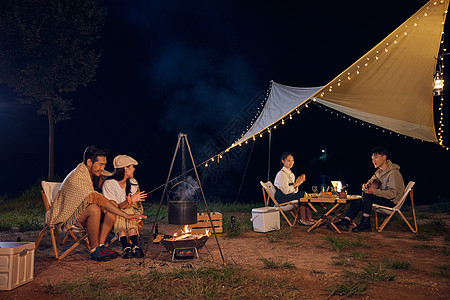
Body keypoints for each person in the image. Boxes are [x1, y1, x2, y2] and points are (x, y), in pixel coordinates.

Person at [49, 145, 147, 261]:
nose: (103, 168)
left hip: (85, 213)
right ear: (89, 162)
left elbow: (111, 179)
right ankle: (94, 249)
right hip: (71, 215)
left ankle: (100, 246)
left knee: (112, 207)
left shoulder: (96, 174)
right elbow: (97, 198)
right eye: (101, 164)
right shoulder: (78, 177)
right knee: (94, 208)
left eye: (105, 164)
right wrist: (126, 215)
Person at [334, 146, 405, 232]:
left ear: (384, 157)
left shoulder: (393, 173)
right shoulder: (379, 172)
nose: (373, 161)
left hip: (392, 202)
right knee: (359, 199)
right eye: (372, 159)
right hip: (384, 199)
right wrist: (366, 185)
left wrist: (374, 191)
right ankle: (346, 221)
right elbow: (370, 183)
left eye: (376, 157)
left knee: (368, 194)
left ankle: (366, 223)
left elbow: (392, 194)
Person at [102, 155, 147, 259]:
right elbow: (112, 207)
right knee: (120, 212)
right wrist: (129, 202)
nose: (134, 169)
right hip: (112, 215)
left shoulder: (133, 182)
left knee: (130, 210)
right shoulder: (109, 184)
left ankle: (132, 246)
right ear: (126, 169)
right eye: (132, 166)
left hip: (129, 213)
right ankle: (127, 245)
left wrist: (131, 202)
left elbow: (135, 206)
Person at [274, 152, 315, 226]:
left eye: (292, 160)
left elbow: (294, 190)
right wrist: (296, 184)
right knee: (303, 194)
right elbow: (285, 191)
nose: (291, 163)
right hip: (281, 198)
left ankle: (309, 218)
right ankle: (303, 219)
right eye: (288, 160)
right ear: (283, 161)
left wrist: (298, 183)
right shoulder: (281, 174)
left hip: (288, 196)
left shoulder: (291, 174)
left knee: (306, 194)